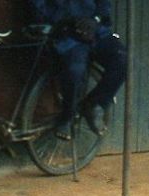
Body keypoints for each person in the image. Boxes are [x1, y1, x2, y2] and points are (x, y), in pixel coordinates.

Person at [28, 0, 127, 138]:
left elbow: (104, 4)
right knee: (75, 70)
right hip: (67, 35)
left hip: (95, 31)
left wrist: (95, 19)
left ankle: (95, 104)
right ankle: (67, 116)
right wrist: (69, 22)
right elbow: (39, 8)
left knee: (123, 60)